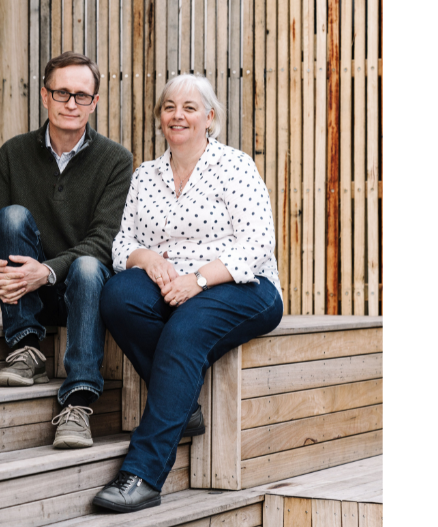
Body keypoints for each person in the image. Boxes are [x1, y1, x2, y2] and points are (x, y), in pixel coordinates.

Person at [92, 74, 284, 513]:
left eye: (190, 107)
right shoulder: (146, 175)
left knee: (185, 332)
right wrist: (146, 259)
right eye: (169, 107)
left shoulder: (234, 166)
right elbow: (122, 243)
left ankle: (143, 474)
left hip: (243, 286)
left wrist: (197, 280)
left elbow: (256, 246)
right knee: (117, 296)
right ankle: (182, 404)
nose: (178, 115)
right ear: (160, 117)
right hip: (171, 284)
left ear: (209, 118)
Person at [0, 52, 133, 450]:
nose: (71, 104)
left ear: (94, 102)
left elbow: (105, 239)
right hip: (27, 294)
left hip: (84, 292)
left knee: (92, 267)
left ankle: (78, 403)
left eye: (81, 95)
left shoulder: (116, 160)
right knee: (9, 218)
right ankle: (25, 346)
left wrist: (45, 270)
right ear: (45, 96)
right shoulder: (15, 152)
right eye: (62, 93)